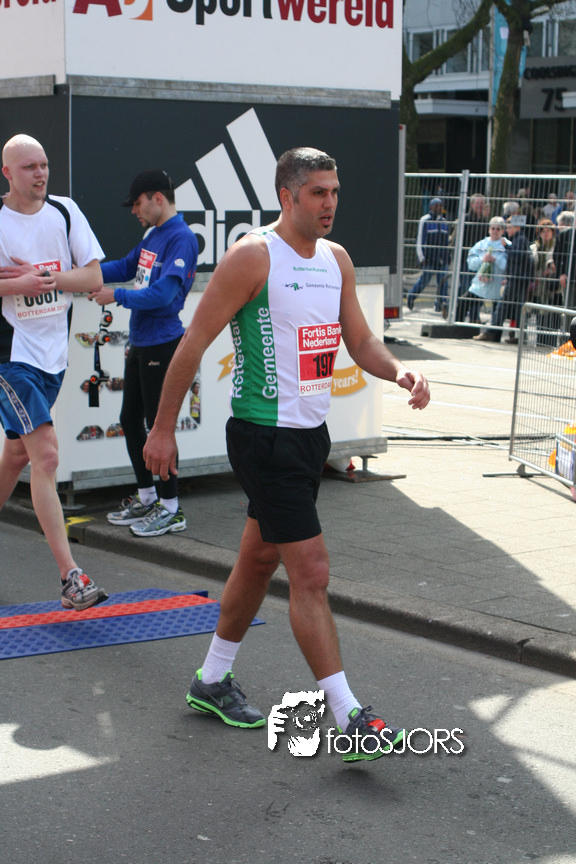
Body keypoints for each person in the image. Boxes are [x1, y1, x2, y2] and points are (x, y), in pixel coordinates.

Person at [143, 147, 430, 763]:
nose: (330, 203)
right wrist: (163, 429)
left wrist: (399, 371)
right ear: (287, 196)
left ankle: (211, 680)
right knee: (312, 572)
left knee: (257, 560)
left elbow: (359, 339)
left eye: (335, 191)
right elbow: (193, 343)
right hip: (262, 436)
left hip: (309, 438)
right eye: (318, 192)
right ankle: (350, 716)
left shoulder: (336, 260)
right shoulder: (254, 257)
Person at [0, 133, 107, 610]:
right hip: (11, 355)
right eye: (29, 167)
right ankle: (71, 578)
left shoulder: (64, 211)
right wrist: (15, 286)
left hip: (52, 356)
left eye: (43, 165)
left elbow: (93, 276)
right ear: (8, 173)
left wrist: (41, 279)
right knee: (45, 456)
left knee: (15, 456)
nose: (40, 174)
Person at [89, 170, 198, 537]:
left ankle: (171, 507)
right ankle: (148, 497)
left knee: (159, 427)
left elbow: (164, 295)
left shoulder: (181, 237)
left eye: (137, 203)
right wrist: (83, 274)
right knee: (130, 419)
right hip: (141, 343)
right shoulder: (153, 234)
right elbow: (124, 267)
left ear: (157, 198)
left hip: (163, 345)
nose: (134, 211)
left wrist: (115, 295)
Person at [475, 216, 533, 344]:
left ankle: (491, 332)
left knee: (502, 307)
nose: (507, 230)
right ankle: (521, 336)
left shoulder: (519, 239)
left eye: (509, 227)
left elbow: (517, 257)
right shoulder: (520, 239)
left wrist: (506, 246)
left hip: (516, 279)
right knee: (518, 308)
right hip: (518, 278)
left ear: (516, 227)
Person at [406, 197, 450, 313]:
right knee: (424, 281)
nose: (439, 208)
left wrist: (448, 257)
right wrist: (421, 257)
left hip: (442, 259)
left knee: (443, 282)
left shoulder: (444, 222)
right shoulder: (425, 220)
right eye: (436, 205)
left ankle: (441, 304)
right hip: (429, 258)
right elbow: (420, 239)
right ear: (431, 207)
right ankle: (412, 296)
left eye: (440, 206)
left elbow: (446, 242)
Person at [454, 192, 491, 323]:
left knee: (478, 290)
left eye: (482, 203)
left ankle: (474, 318)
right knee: (466, 288)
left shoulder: (485, 222)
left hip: (481, 262)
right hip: (466, 261)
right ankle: (459, 317)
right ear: (472, 204)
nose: (480, 206)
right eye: (478, 203)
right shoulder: (465, 220)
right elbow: (458, 241)